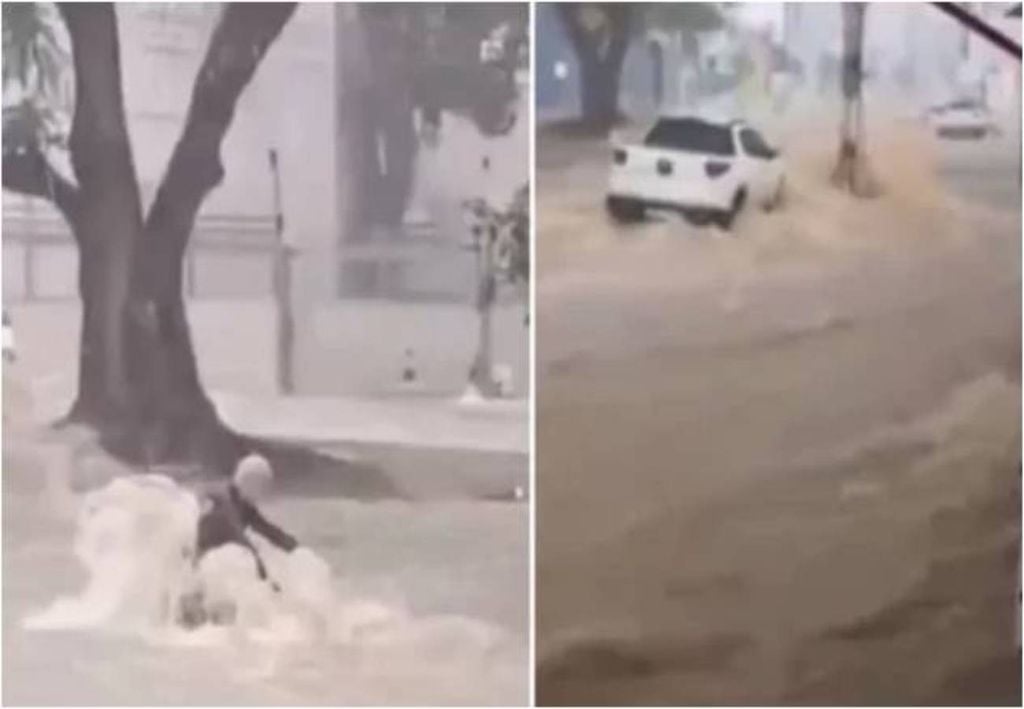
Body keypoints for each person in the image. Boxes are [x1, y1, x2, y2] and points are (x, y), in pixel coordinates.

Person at [179, 453, 298, 626]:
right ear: (253, 483)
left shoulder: (240, 502)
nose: (263, 493)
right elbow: (244, 545)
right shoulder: (225, 503)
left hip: (207, 565)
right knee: (195, 616)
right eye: (262, 487)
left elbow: (268, 530)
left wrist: (297, 549)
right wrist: (269, 584)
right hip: (196, 565)